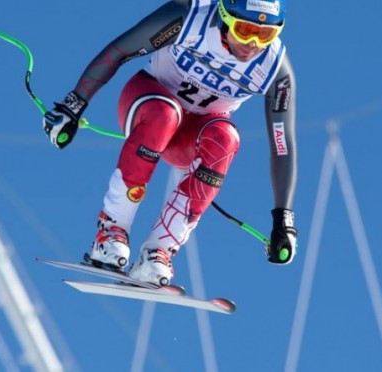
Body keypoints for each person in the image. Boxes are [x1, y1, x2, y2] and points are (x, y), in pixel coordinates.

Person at [43, 0, 297, 287]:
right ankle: (111, 230)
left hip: (191, 139)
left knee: (226, 139)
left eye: (265, 35)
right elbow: (119, 51)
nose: (252, 43)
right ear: (225, 19)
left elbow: (282, 145)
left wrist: (283, 219)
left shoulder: (274, 67)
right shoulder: (190, 17)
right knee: (166, 113)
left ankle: (159, 251)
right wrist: (73, 105)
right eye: (245, 29)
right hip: (148, 107)